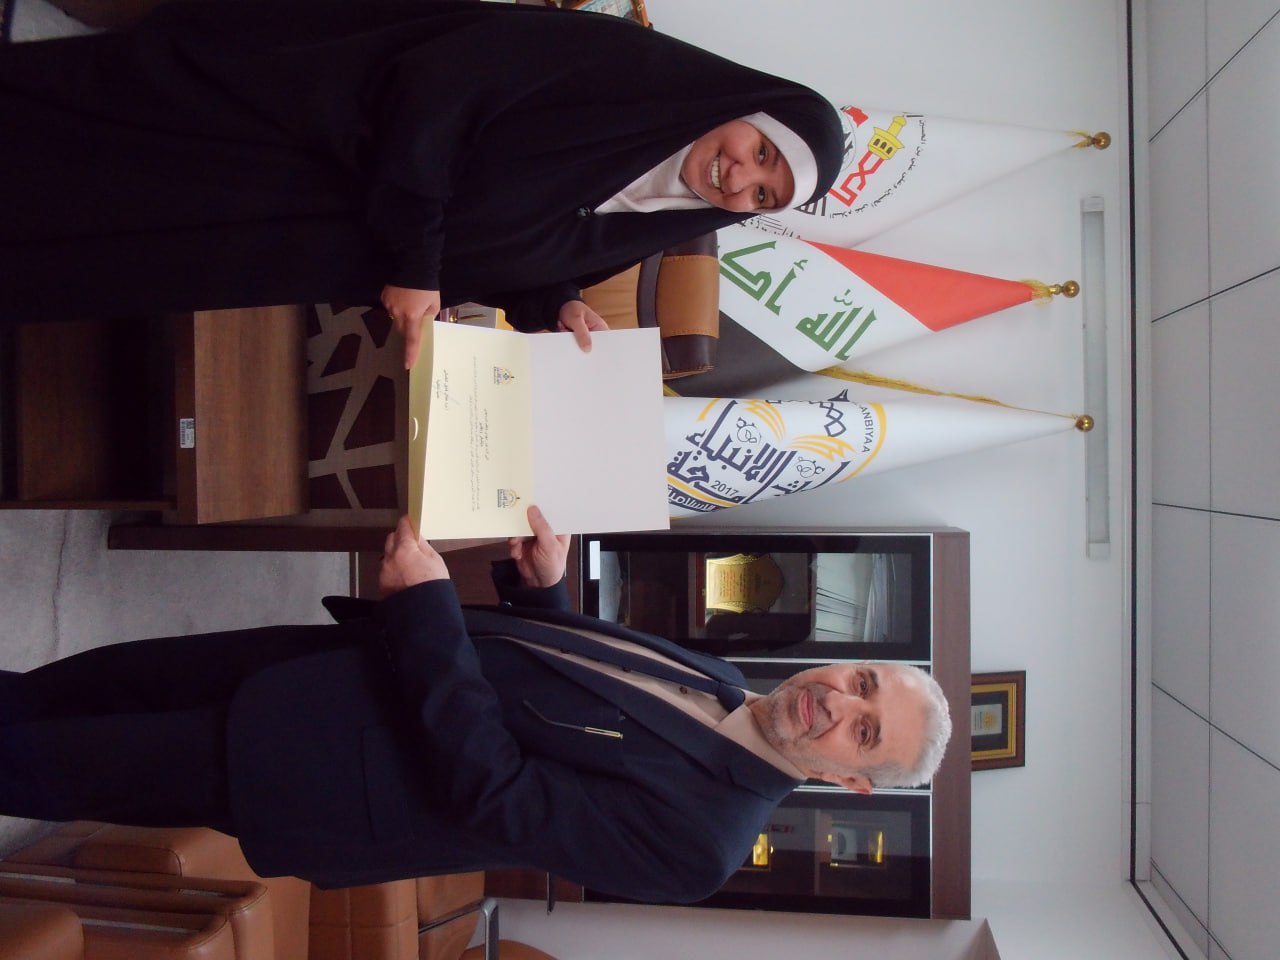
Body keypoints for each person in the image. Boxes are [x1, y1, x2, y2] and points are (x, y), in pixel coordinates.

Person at [0, 507, 951, 904]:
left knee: (48, 761)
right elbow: (574, 692)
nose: (837, 702)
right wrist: (546, 593)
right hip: (321, 668)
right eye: (862, 683)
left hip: (307, 770)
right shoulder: (727, 684)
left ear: (849, 782)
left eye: (863, 732)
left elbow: (494, 793)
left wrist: (427, 609)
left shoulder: (702, 847)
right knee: (67, 689)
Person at [0, 0, 844, 365]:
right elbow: (437, 91)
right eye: (762, 153)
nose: (741, 179)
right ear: (748, 111)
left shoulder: (663, 212)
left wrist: (555, 302)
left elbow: (523, 235)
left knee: (108, 261)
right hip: (294, 145)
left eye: (763, 197)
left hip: (302, 244)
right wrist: (416, 263)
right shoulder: (624, 68)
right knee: (86, 163)